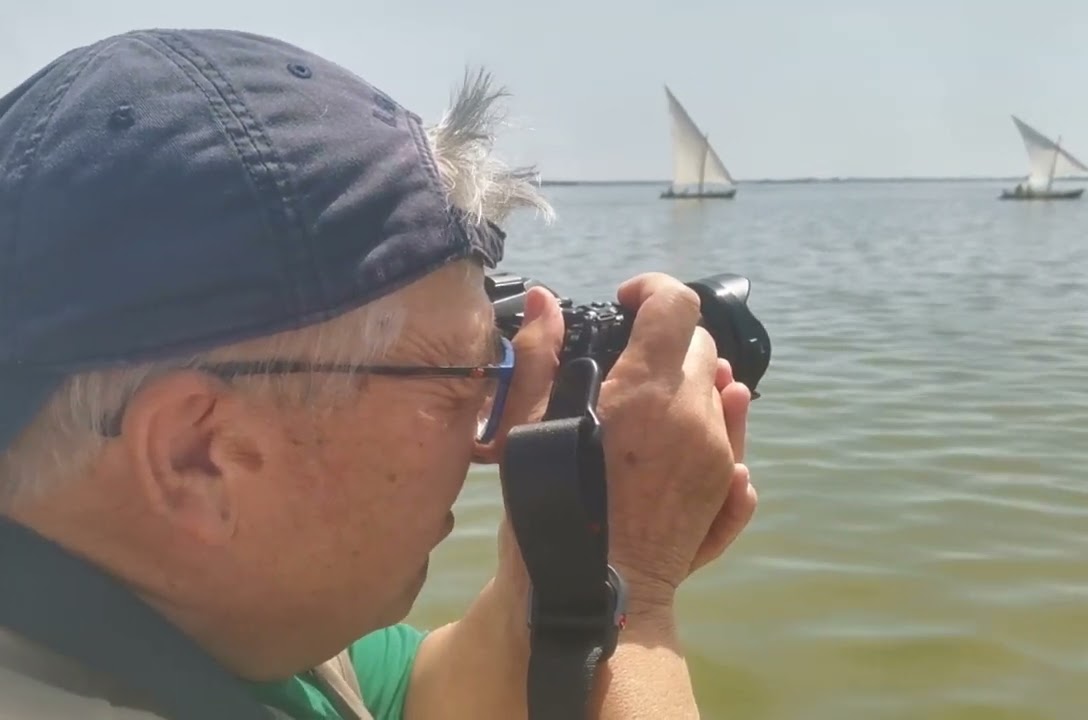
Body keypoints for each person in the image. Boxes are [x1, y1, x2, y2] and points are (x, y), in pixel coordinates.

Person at [0, 28, 757, 720]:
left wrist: (564, 568)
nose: (492, 438)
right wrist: (635, 591)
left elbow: (428, 692)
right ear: (198, 456)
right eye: (463, 377)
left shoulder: (210, 612)